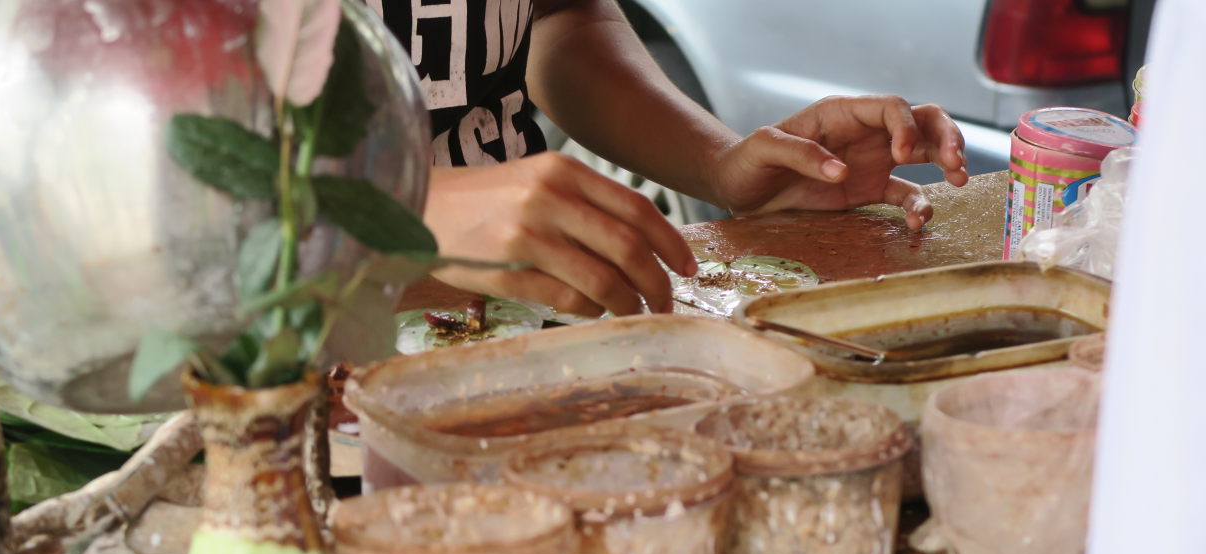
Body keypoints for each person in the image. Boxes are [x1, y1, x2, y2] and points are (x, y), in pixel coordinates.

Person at [370, 0, 969, 318]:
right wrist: (411, 206)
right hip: (323, 338)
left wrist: (717, 164)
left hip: (520, 312)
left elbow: (558, 14)